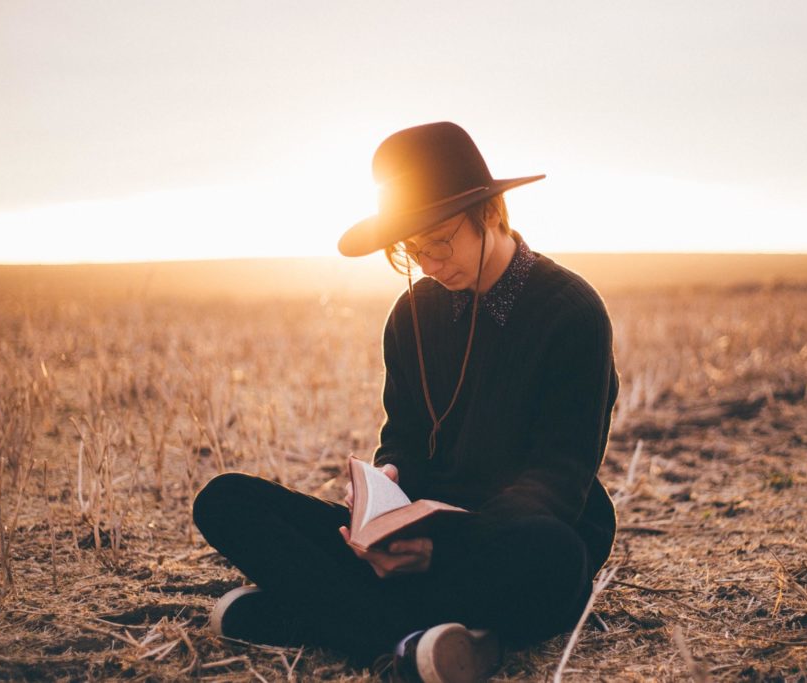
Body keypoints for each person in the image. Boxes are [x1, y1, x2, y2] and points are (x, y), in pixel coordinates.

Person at [193, 122, 619, 683]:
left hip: (503, 542)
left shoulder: (571, 313)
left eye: (441, 240)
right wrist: (389, 485)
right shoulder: (412, 314)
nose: (432, 263)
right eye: (412, 250)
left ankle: (321, 616)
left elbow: (558, 482)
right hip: (411, 537)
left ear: (490, 213)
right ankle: (433, 641)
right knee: (224, 501)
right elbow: (406, 436)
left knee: (556, 560)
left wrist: (444, 547)